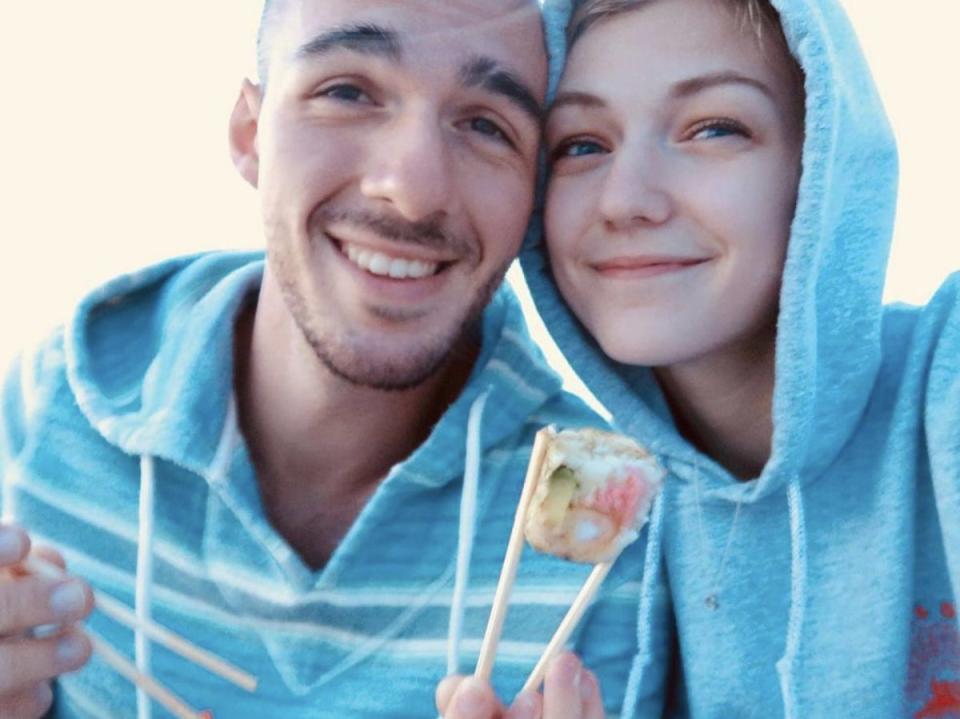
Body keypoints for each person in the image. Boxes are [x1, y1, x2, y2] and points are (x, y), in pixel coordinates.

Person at [0, 1, 634, 716]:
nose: (413, 190)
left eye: (487, 125)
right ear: (250, 132)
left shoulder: (603, 530)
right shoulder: (45, 410)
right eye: (347, 92)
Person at [513, 0, 960, 716]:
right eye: (580, 145)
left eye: (714, 128)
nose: (626, 200)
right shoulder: (600, 534)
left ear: (821, 167)